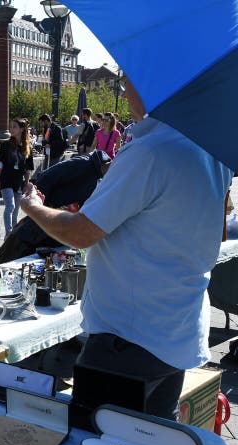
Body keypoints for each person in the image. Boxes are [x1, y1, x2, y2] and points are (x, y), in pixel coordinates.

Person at [20, 78, 233, 420]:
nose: (123, 92)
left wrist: (33, 207)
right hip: (173, 329)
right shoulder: (209, 149)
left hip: (128, 339)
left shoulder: (151, 150)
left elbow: (81, 233)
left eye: (128, 81)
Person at [0, 118, 34, 237]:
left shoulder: (27, 147)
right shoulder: (5, 144)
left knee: (16, 209)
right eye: (11, 126)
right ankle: (8, 233)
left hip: (18, 181)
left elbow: (28, 168)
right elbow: (0, 163)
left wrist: (27, 182)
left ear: (22, 129)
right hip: (6, 178)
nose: (11, 129)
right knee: (10, 206)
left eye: (14, 127)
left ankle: (14, 234)